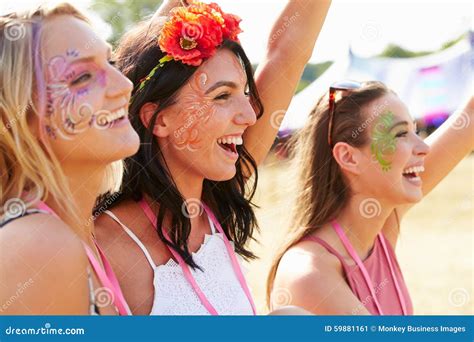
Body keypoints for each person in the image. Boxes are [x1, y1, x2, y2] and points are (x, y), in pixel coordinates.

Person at [95, 0, 331, 315]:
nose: (249, 116)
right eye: (222, 96)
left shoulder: (215, 207)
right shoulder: (100, 244)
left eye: (246, 93)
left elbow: (288, 52)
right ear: (159, 118)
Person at [267, 80, 474, 315]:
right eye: (401, 134)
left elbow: (470, 116)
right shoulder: (308, 273)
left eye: (415, 131)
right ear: (349, 157)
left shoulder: (380, 225)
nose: (423, 148)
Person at [0, 3, 140, 315]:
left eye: (112, 61)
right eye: (82, 77)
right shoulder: (37, 246)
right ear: (17, 117)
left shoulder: (77, 235)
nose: (124, 86)